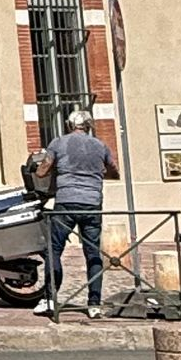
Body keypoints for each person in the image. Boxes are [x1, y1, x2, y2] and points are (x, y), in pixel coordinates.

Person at [33, 108, 119, 316]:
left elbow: (42, 170)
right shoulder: (100, 146)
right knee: (92, 253)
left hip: (66, 202)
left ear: (70, 125)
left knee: (53, 250)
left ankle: (50, 299)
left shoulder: (58, 143)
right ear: (89, 126)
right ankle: (94, 303)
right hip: (92, 204)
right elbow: (114, 172)